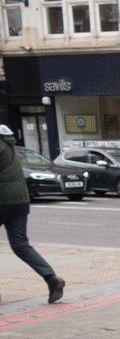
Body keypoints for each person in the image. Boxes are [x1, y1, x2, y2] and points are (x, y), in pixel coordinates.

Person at [0, 125, 65, 304]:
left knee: (20, 244)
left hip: (3, 199)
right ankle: (51, 278)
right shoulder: (10, 145)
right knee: (21, 245)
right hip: (20, 201)